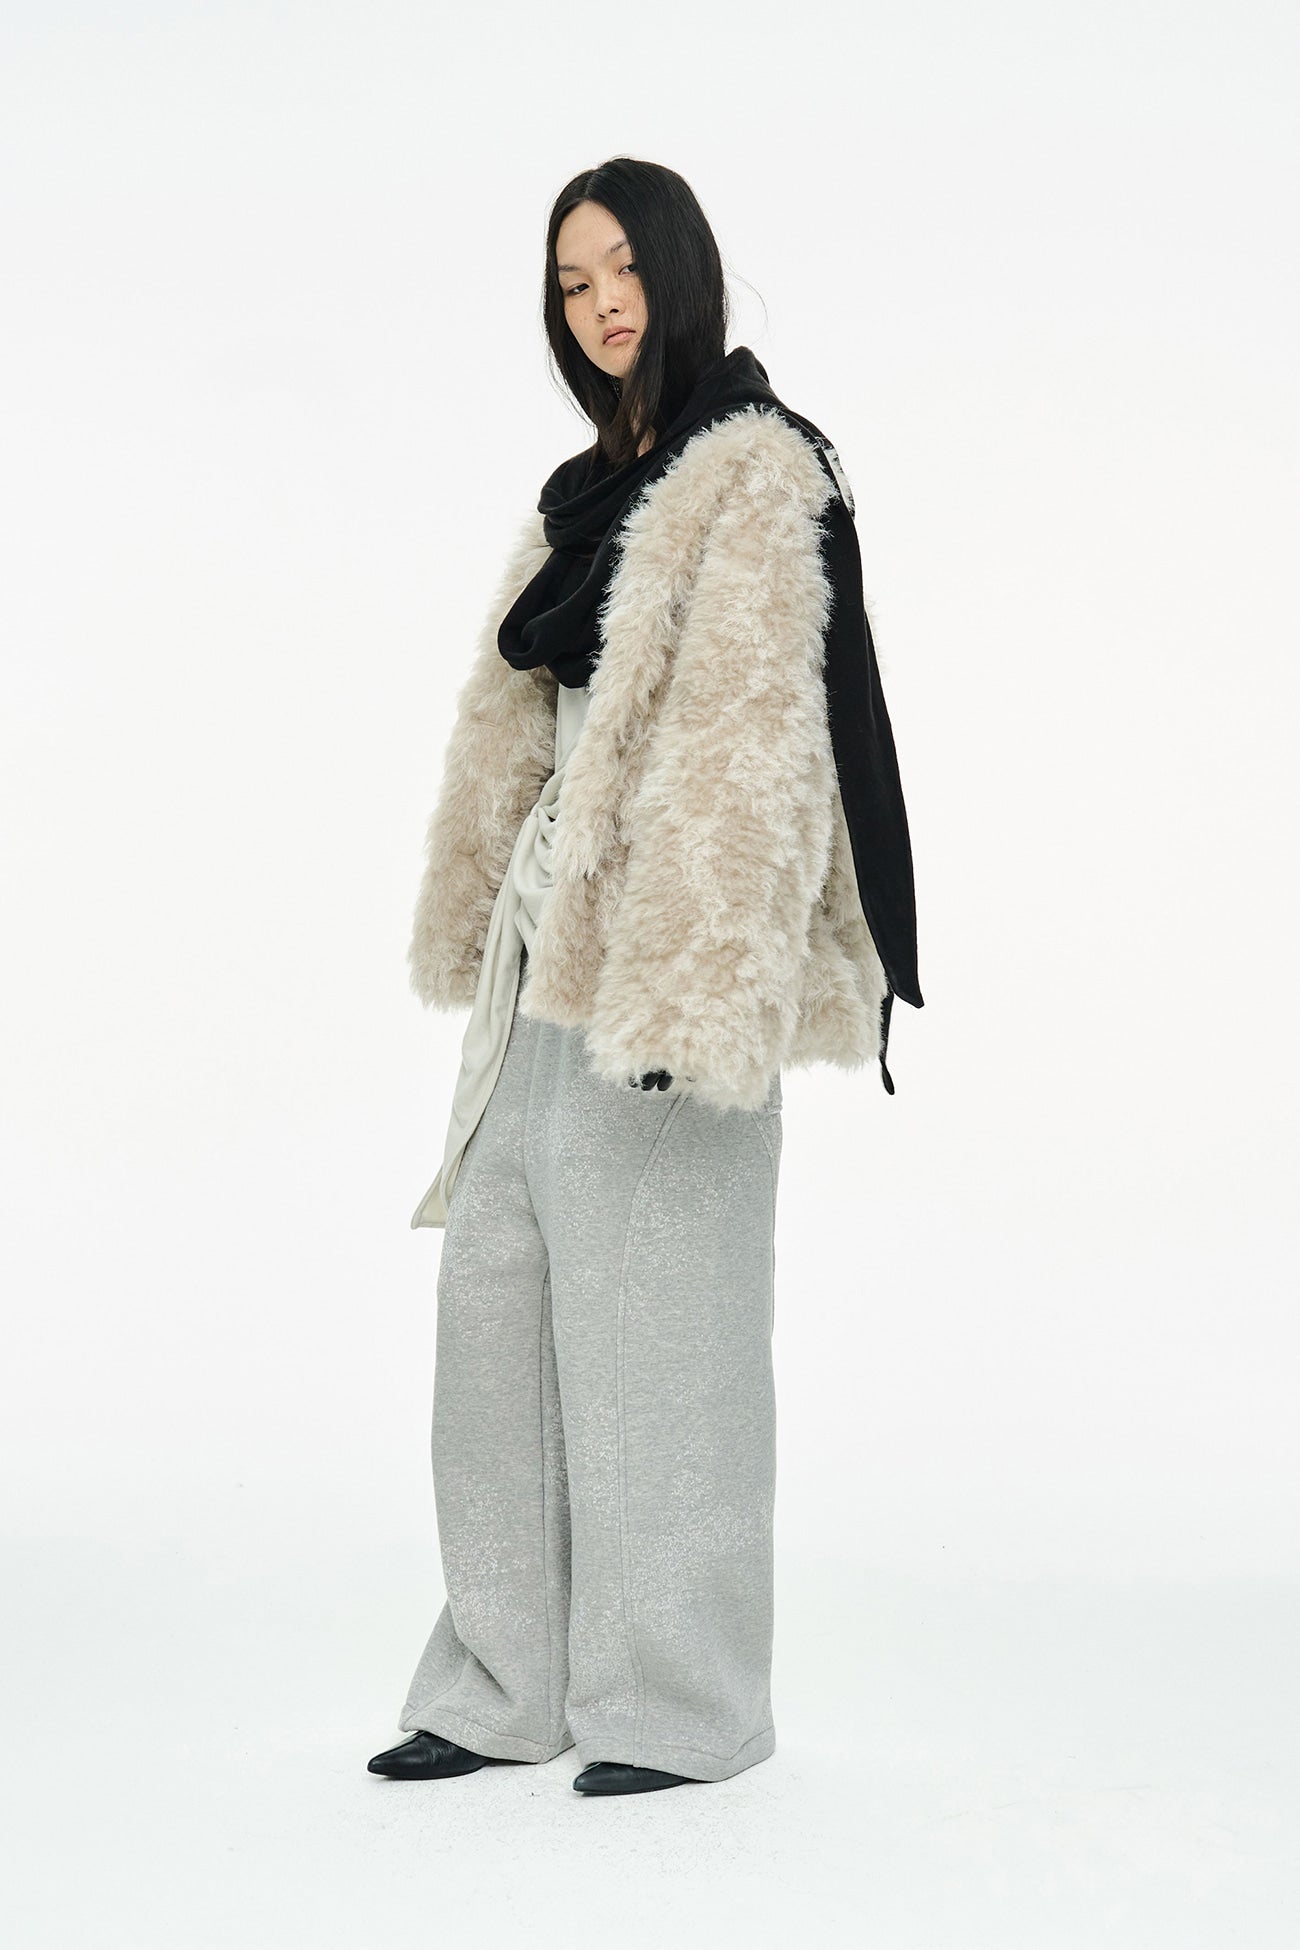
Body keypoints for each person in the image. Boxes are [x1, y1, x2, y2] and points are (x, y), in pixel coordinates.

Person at [367, 156, 922, 1798]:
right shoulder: (583, 492)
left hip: (669, 957)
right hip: (547, 945)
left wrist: (689, 986)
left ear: (682, 270)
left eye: (622, 269)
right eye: (571, 283)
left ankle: (679, 1701)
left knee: (661, 1325)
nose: (602, 303)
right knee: (499, 1297)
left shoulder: (756, 469)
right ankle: (503, 1683)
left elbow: (757, 739)